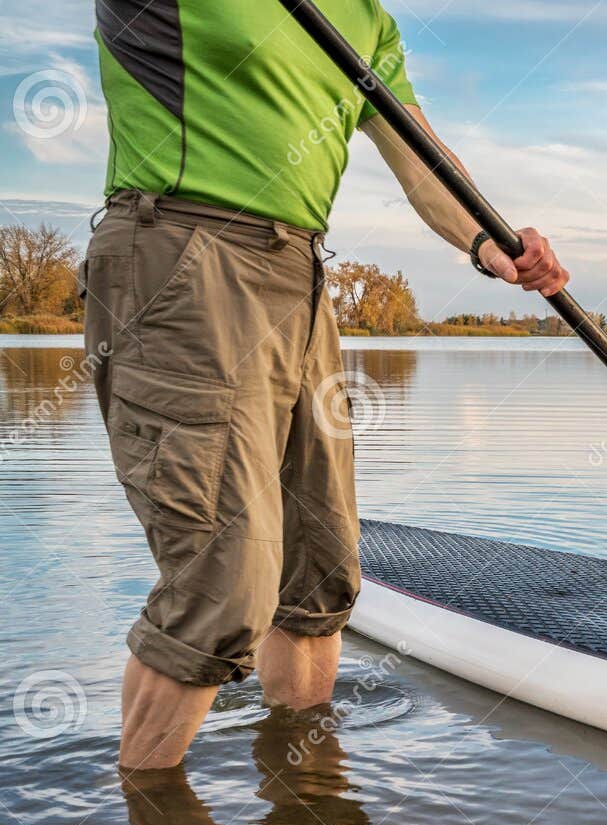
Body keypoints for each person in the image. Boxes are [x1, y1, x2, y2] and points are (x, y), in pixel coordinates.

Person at [85, 2, 567, 768]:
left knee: (320, 565)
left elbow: (418, 159)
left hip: (301, 272)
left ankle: (306, 800)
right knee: (224, 578)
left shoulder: (366, 18)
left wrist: (490, 240)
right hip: (182, 250)